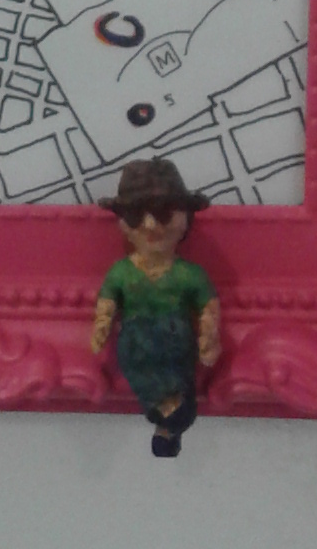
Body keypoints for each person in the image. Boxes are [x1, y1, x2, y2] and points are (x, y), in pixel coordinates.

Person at [91, 158, 221, 457]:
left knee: (179, 387)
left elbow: (208, 306)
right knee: (152, 385)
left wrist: (209, 336)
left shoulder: (189, 274)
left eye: (163, 213)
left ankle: (169, 423)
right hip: (137, 348)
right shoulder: (122, 272)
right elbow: (108, 300)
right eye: (136, 215)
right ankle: (168, 420)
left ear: (185, 217)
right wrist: (102, 324)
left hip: (176, 348)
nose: (150, 225)